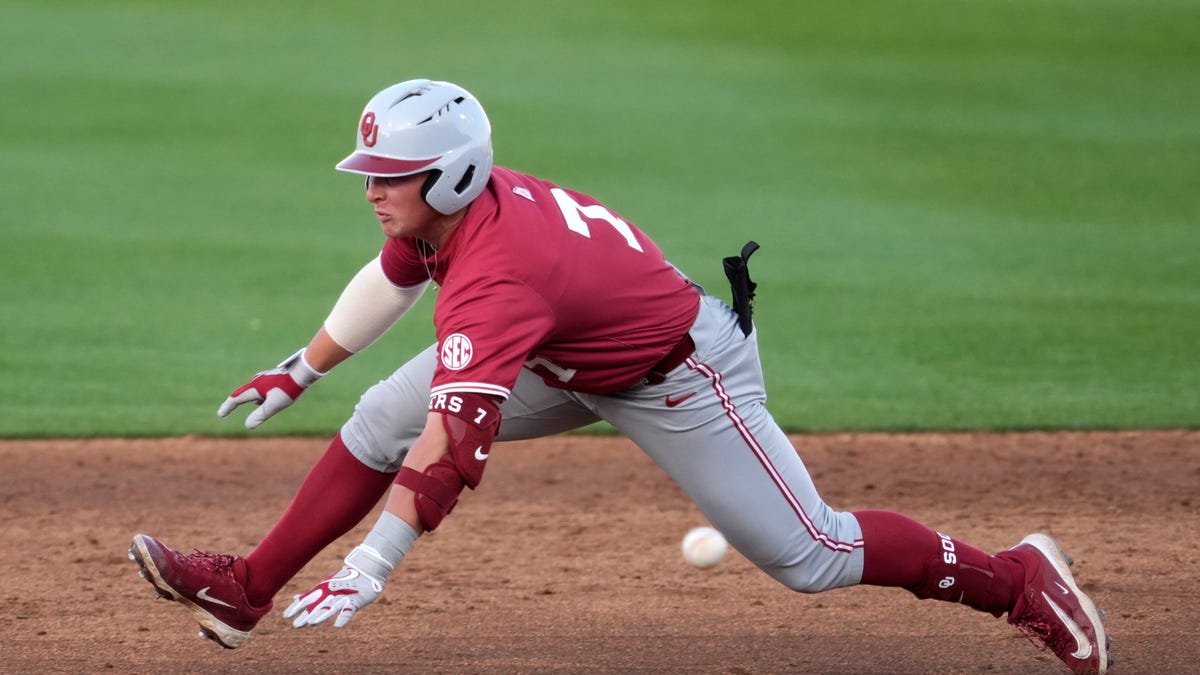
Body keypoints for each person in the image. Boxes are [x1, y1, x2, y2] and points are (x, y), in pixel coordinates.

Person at [129, 79, 1110, 673]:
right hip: (565, 350)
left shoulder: (498, 277)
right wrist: (300, 370)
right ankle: (246, 590)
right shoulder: (447, 216)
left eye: (391, 175)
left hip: (679, 373)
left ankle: (1018, 580)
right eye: (372, 173)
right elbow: (392, 278)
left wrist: (370, 567)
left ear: (453, 175)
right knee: (383, 411)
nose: (373, 189)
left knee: (809, 553)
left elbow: (452, 450)